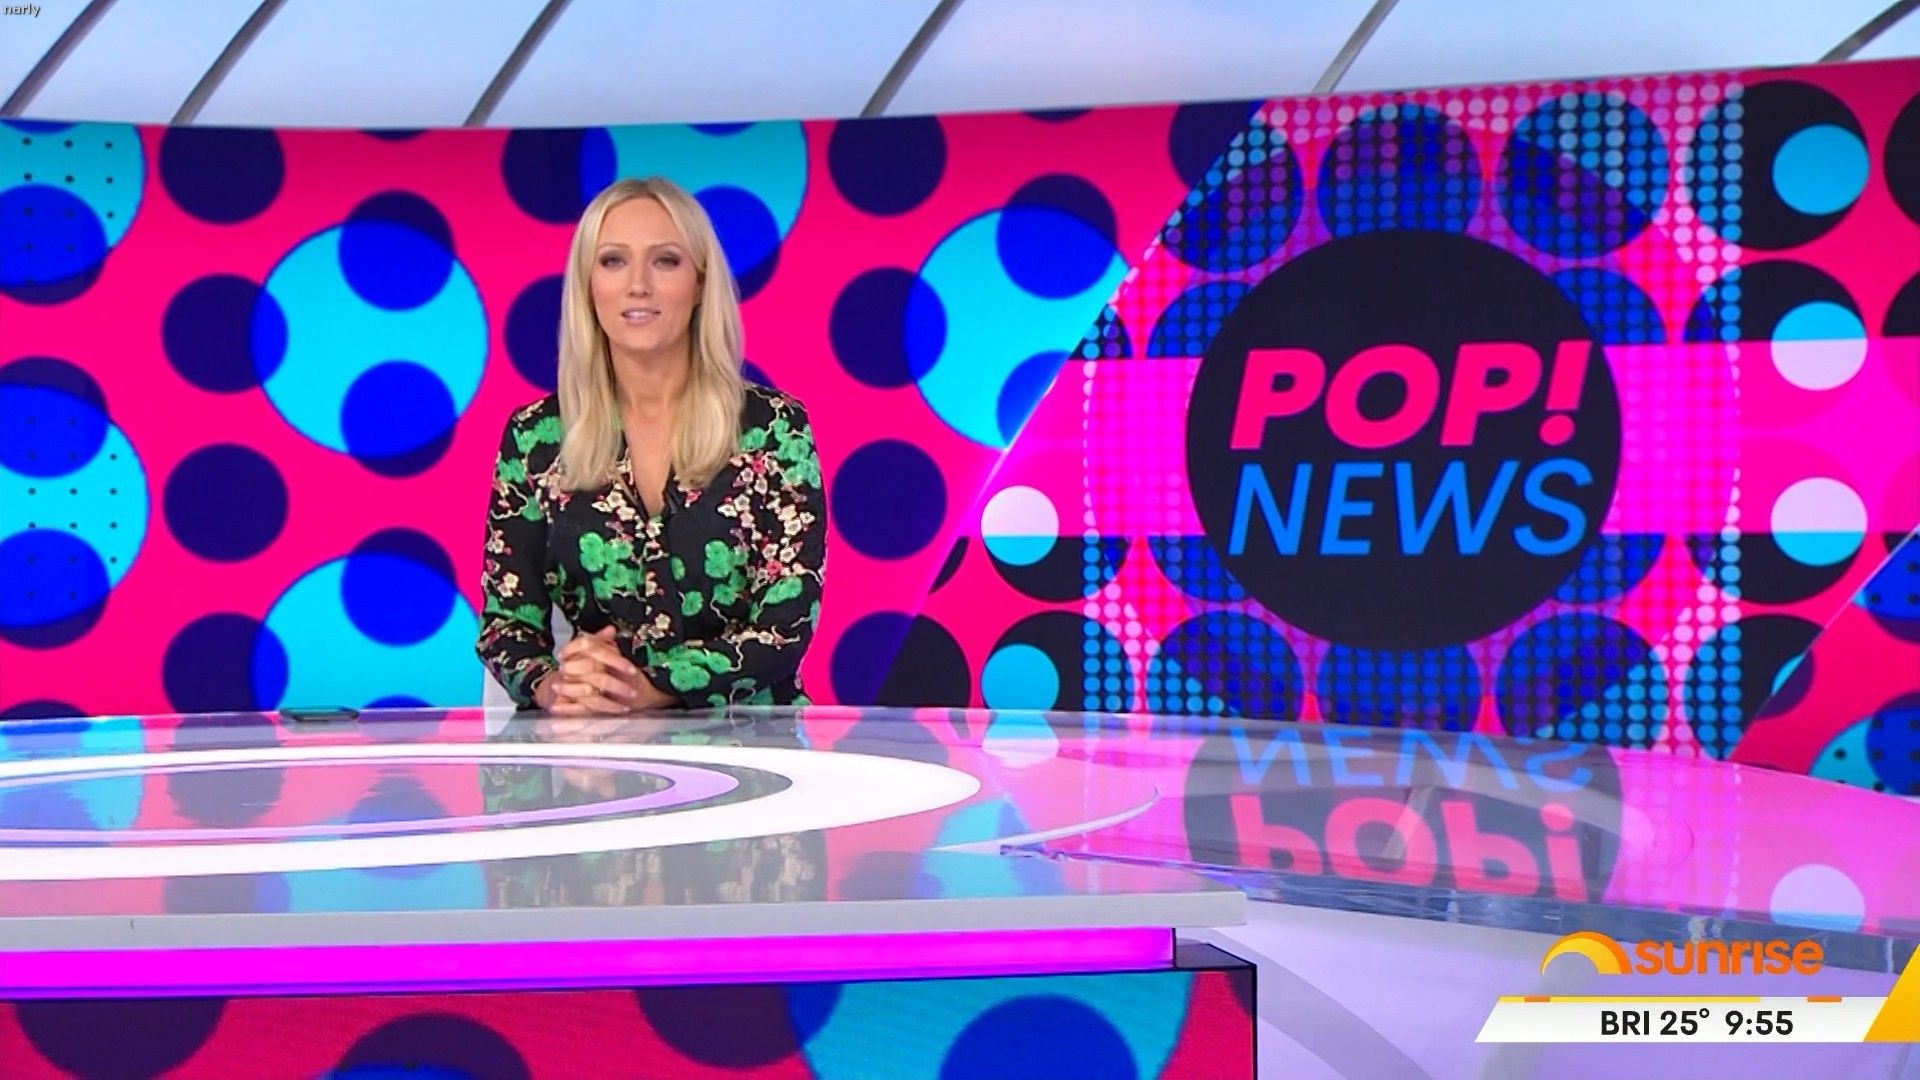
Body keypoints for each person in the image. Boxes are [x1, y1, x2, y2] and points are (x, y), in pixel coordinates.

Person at [476, 177, 825, 714]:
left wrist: (653, 688)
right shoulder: (534, 437)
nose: (638, 285)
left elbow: (786, 624)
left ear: (700, 283)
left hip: (751, 738)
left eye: (665, 261)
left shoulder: (775, 428)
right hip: (593, 739)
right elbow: (507, 622)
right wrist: (555, 686)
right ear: (587, 284)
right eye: (613, 261)